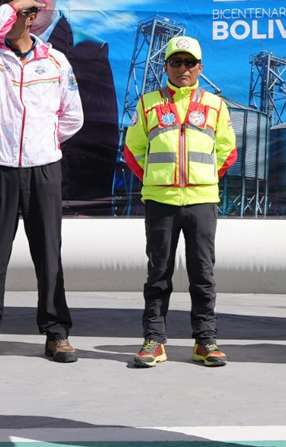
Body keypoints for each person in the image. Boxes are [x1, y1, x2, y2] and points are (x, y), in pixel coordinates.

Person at [0, 0, 84, 364]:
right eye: (6, 13)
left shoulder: (55, 60)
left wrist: (43, 144)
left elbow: (72, 115)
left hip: (44, 168)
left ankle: (56, 333)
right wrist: (9, 9)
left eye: (20, 13)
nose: (12, 19)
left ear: (32, 17)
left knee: (48, 254)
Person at [123, 36, 238, 368]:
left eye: (189, 63)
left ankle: (206, 341)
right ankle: (154, 341)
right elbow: (132, 151)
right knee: (158, 273)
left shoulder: (216, 105)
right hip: (161, 200)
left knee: (203, 273)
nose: (183, 69)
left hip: (202, 200)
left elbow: (227, 152)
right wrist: (157, 178)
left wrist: (202, 179)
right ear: (166, 66)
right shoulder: (148, 104)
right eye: (176, 62)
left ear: (200, 67)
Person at [7, 0, 117, 211]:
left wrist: (88, 205)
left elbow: (100, 138)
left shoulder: (88, 49)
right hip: (8, 187)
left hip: (62, 196)